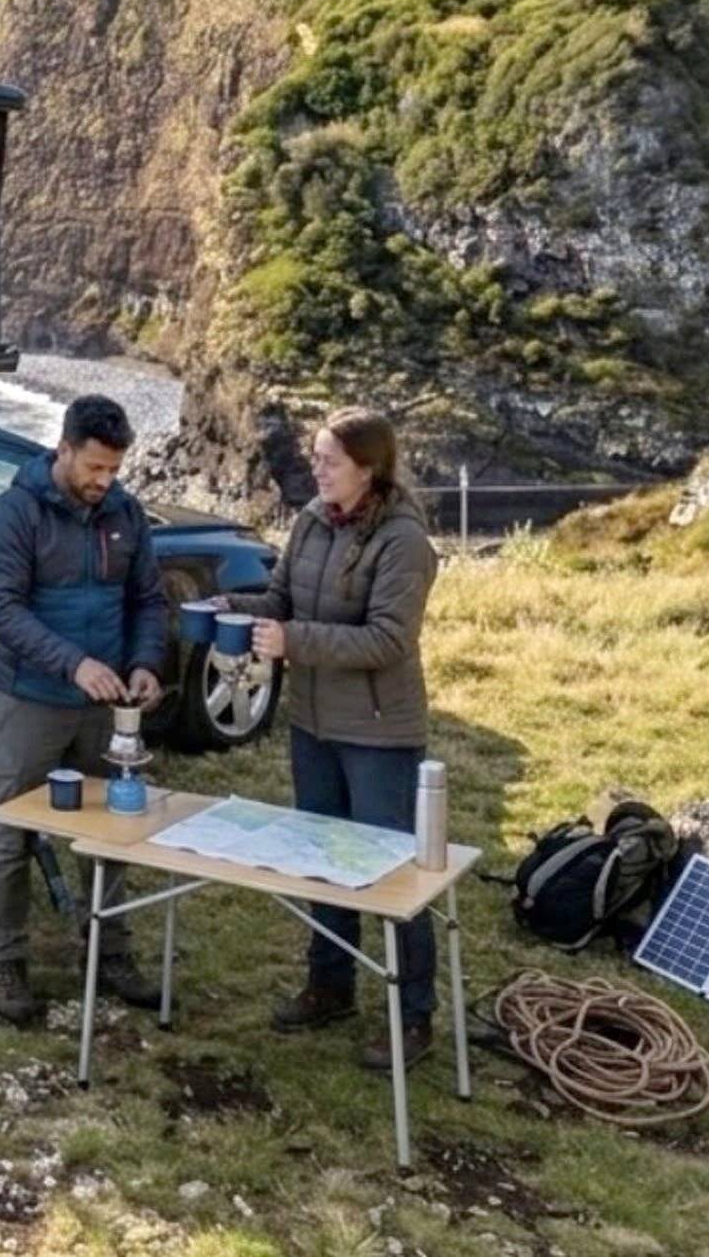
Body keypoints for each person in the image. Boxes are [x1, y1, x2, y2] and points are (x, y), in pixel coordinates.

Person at [239, 406, 441, 1071]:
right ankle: (330, 986)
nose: (315, 467)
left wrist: (292, 642)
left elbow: (389, 638)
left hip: (379, 731)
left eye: (328, 459)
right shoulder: (310, 520)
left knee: (392, 872)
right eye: (316, 455)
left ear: (368, 468)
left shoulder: (405, 541)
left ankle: (413, 1017)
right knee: (323, 857)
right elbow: (280, 600)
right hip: (314, 724)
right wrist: (230, 612)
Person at [0, 393, 170, 1024]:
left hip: (108, 705)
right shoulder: (14, 515)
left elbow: (148, 599)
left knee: (112, 825)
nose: (103, 482)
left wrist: (145, 663)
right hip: (32, 698)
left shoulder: (126, 514)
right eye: (94, 468)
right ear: (62, 449)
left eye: (114, 470)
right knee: (12, 830)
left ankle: (109, 949)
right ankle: (5, 959)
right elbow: (2, 610)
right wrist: (72, 664)